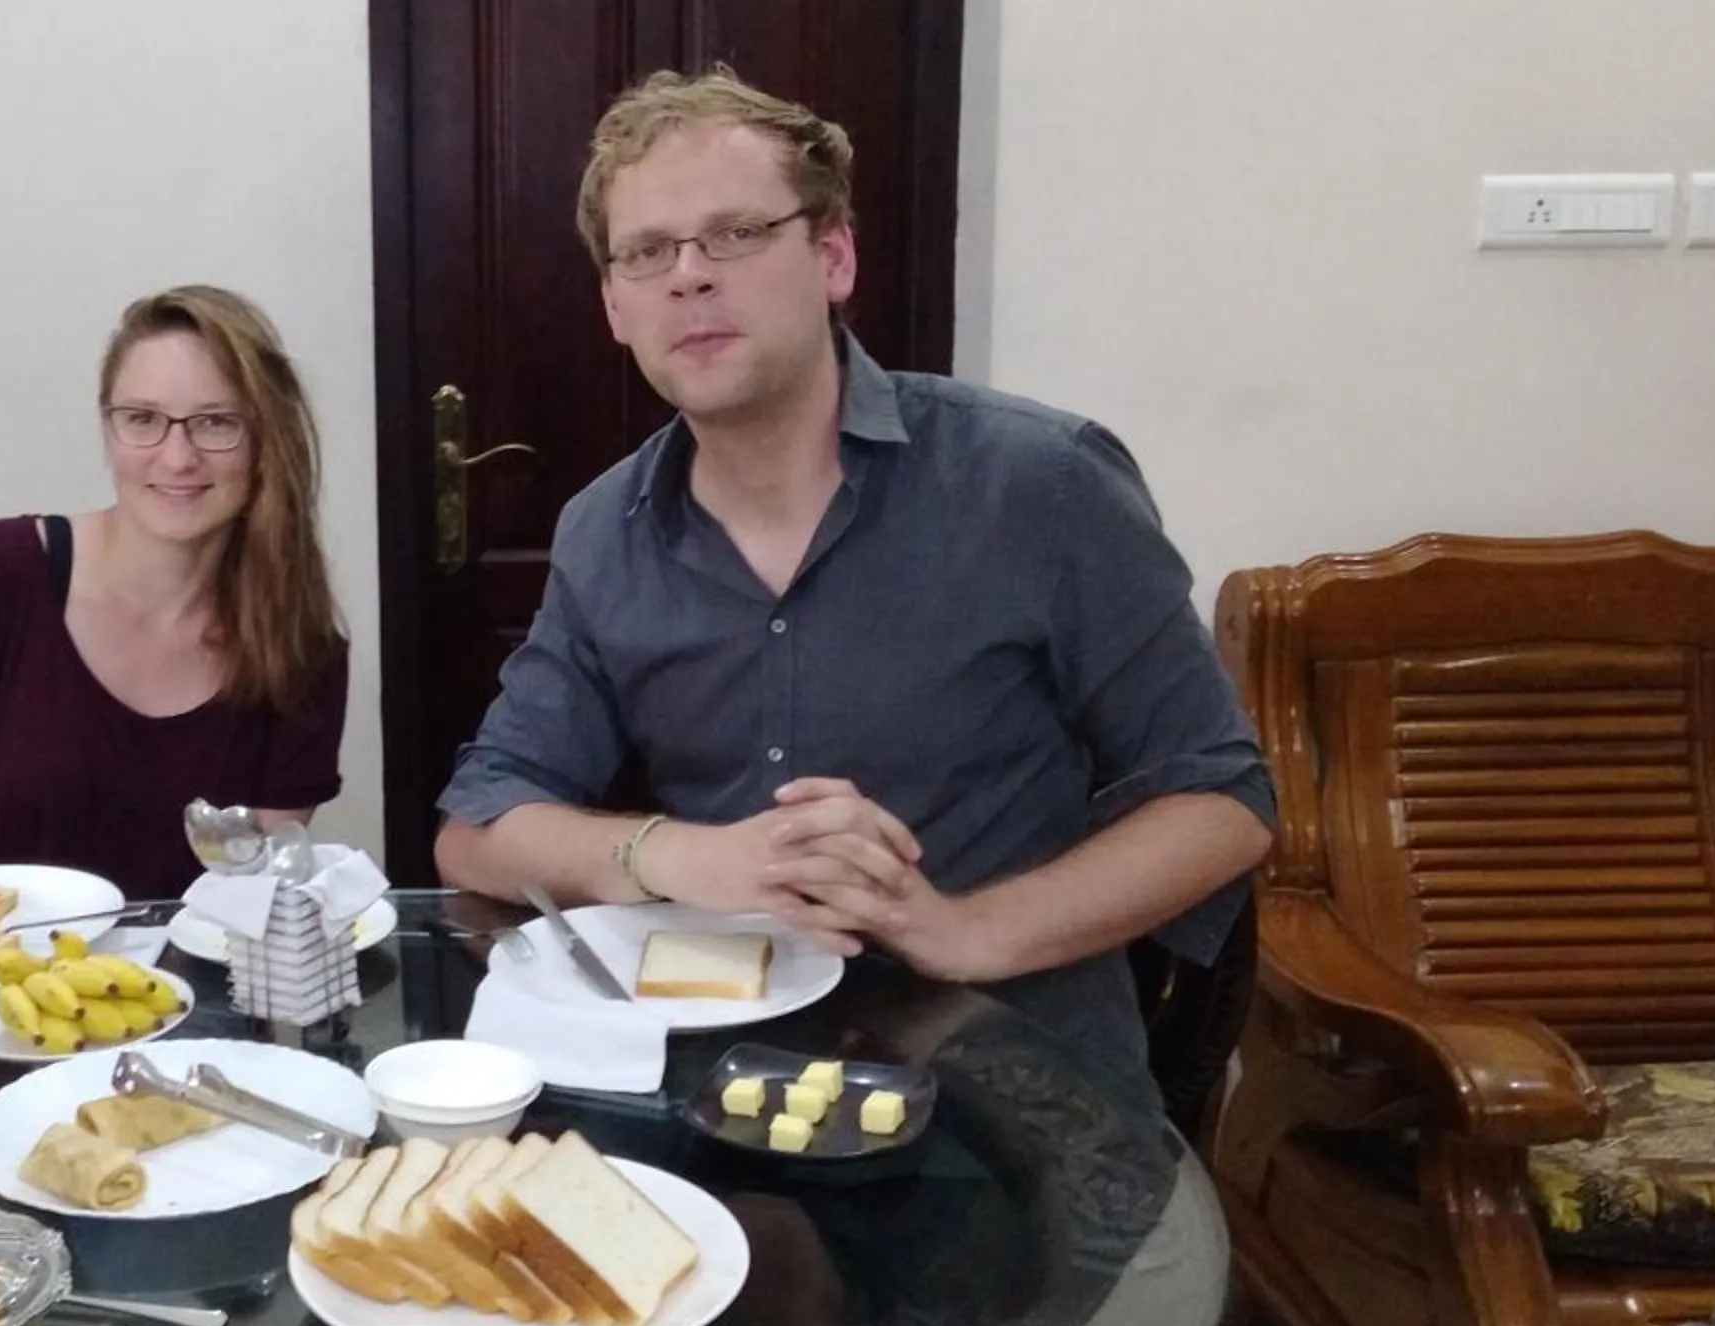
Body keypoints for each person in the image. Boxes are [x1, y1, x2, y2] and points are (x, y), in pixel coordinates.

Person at [434, 70, 1275, 1094]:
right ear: (615, 304)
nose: (689, 277)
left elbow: (1224, 799)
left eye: (735, 234)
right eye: (648, 252)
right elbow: (478, 829)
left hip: (1012, 1092)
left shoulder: (1039, 484)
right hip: (729, 1090)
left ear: (832, 256)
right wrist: (689, 859)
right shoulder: (607, 532)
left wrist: (963, 931)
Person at [0, 287, 349, 902]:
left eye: (216, 423)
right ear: (108, 427)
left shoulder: (302, 649)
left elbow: (255, 895)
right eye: (143, 419)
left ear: (266, 442)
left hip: (183, 989)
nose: (177, 457)